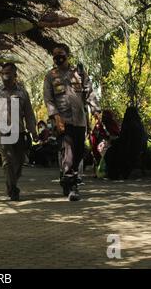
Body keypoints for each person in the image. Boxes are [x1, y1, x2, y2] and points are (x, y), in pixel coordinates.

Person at [43, 43, 101, 201]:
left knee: (79, 152)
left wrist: (95, 110)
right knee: (67, 152)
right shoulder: (50, 76)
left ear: (67, 55)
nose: (58, 57)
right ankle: (72, 185)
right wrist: (55, 116)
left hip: (80, 120)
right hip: (62, 120)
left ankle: (67, 179)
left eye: (60, 54)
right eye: (55, 55)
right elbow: (48, 99)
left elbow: (89, 92)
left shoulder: (79, 73)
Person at [0, 63, 39, 201]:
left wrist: (33, 131)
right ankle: (13, 189)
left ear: (15, 76)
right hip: (2, 132)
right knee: (8, 160)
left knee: (20, 161)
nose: (5, 76)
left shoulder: (22, 93)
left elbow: (29, 114)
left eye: (9, 73)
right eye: (3, 73)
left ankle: (11, 183)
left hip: (19, 131)